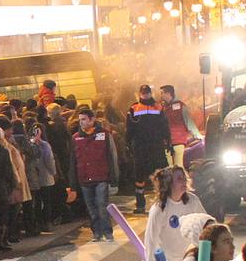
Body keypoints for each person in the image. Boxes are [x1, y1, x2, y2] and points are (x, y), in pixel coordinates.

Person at [70, 107, 119, 241]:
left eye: (84, 119)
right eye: (80, 120)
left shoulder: (104, 134)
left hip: (101, 176)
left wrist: (113, 178)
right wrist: (73, 184)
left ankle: (107, 232)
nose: (81, 122)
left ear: (92, 119)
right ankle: (96, 232)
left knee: (102, 205)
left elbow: (111, 156)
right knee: (91, 208)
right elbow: (73, 161)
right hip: (84, 178)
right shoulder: (75, 138)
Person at [125, 84, 172, 214]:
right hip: (140, 147)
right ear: (140, 94)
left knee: (162, 174)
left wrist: (168, 141)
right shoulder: (134, 108)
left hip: (156, 145)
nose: (145, 95)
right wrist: (127, 143)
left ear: (151, 93)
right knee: (139, 177)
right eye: (143, 93)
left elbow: (165, 125)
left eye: (147, 93)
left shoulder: (158, 106)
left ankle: (165, 201)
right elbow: (129, 128)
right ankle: (140, 205)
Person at [160, 85, 203, 168]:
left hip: (177, 140)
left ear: (168, 93)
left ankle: (182, 180)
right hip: (167, 141)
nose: (161, 95)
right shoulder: (162, 107)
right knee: (169, 167)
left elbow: (189, 122)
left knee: (178, 166)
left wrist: (197, 135)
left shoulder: (180, 106)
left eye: (162, 93)